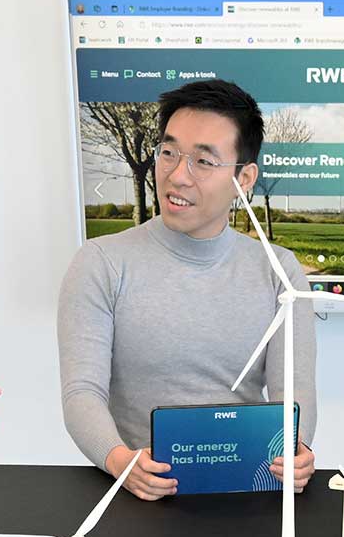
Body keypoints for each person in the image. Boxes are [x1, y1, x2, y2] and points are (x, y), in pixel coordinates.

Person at [59, 79, 318, 502]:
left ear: (245, 177)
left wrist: (297, 449)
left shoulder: (279, 270)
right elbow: (81, 392)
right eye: (168, 153)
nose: (178, 176)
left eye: (203, 160)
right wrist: (120, 460)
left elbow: (295, 392)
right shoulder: (100, 262)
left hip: (249, 491)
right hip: (136, 494)